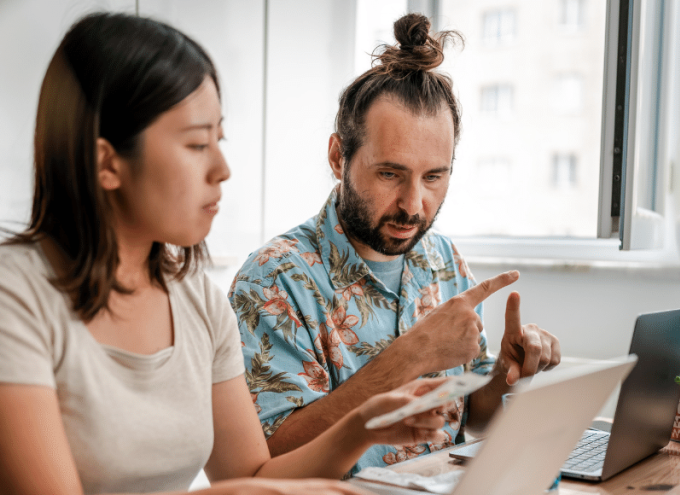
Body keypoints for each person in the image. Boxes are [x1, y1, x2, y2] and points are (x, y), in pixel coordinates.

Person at [0, 12, 452, 495]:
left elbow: (253, 473)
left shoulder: (197, 302)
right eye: (197, 144)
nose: (223, 168)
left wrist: (361, 427)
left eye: (220, 139)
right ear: (106, 163)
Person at [229, 12, 562, 474]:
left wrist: (505, 372)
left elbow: (471, 417)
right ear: (337, 156)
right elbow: (269, 462)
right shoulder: (273, 279)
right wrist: (410, 357)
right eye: (390, 174)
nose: (413, 205)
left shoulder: (443, 260)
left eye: (433, 177)